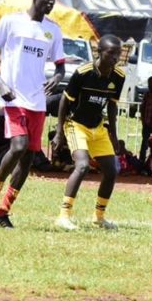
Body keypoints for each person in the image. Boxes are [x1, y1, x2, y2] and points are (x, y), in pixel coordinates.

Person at [0, 0, 66, 228]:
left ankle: (3, 212)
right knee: (18, 146)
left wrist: (57, 77)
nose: (50, 2)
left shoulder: (53, 30)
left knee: (28, 158)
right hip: (13, 97)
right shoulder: (11, 21)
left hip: (37, 101)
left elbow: (60, 66)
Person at [51, 35, 124, 230]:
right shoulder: (83, 73)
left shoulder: (119, 76)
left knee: (111, 171)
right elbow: (64, 101)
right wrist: (59, 132)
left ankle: (98, 217)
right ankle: (63, 216)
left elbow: (112, 106)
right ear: (99, 52)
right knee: (82, 166)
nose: (115, 58)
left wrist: (114, 135)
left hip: (98, 128)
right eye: (111, 53)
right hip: (76, 125)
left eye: (118, 54)